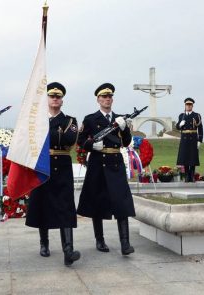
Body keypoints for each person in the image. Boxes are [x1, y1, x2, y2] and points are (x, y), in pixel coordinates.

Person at [25, 82, 80, 266]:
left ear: (62, 101)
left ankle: (68, 250)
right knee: (42, 204)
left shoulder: (70, 121)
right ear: (46, 99)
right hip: (42, 167)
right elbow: (30, 140)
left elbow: (69, 139)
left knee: (65, 206)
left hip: (62, 168)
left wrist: (45, 132)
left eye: (58, 96)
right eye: (51, 96)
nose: (55, 99)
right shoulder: (37, 121)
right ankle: (44, 243)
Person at [77, 83, 135, 256]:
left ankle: (125, 243)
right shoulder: (90, 119)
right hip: (97, 162)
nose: (107, 99)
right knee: (97, 201)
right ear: (98, 99)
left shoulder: (120, 119)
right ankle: (100, 240)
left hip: (115, 161)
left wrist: (124, 129)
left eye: (109, 97)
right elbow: (80, 140)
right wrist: (91, 145)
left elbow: (125, 142)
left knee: (121, 202)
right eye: (104, 97)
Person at [176, 98, 203, 182]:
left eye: (190, 105)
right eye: (187, 105)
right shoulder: (181, 115)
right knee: (185, 157)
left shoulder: (197, 115)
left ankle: (192, 175)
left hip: (193, 138)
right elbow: (177, 127)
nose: (188, 106)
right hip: (184, 138)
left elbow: (200, 128)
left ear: (192, 106)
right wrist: (180, 124)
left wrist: (200, 140)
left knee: (193, 158)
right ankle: (187, 175)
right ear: (185, 105)